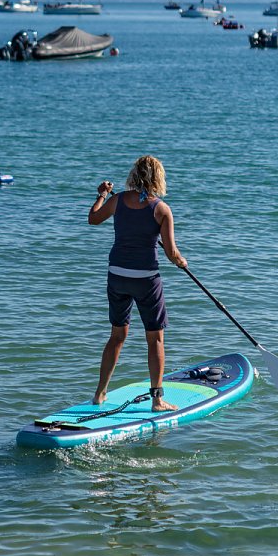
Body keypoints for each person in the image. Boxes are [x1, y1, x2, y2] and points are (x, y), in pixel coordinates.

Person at [88, 154, 187, 413]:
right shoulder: (161, 209)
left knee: (117, 336)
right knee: (155, 340)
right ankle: (157, 400)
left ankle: (99, 394)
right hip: (145, 280)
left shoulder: (117, 199)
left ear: (134, 175)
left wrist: (101, 195)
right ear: (158, 178)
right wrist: (182, 262)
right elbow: (172, 254)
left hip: (117, 276)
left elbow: (94, 219)